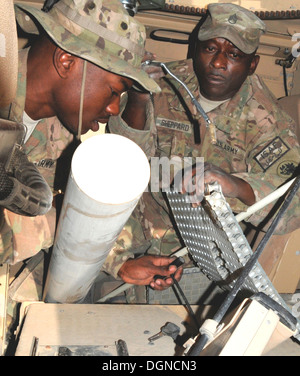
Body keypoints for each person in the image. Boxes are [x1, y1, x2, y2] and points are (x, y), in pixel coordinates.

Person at [104, 3, 300, 298]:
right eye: (210, 49)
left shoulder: (265, 118)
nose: (218, 63)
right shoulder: (165, 84)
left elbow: (292, 208)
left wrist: (236, 186)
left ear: (253, 64)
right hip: (128, 227)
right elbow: (122, 158)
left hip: (198, 258)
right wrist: (138, 99)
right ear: (196, 48)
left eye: (234, 55)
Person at [0, 0, 183, 285]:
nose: (112, 109)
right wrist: (50, 226)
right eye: (113, 91)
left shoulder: (59, 130)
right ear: (66, 62)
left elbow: (53, 203)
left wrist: (120, 262)